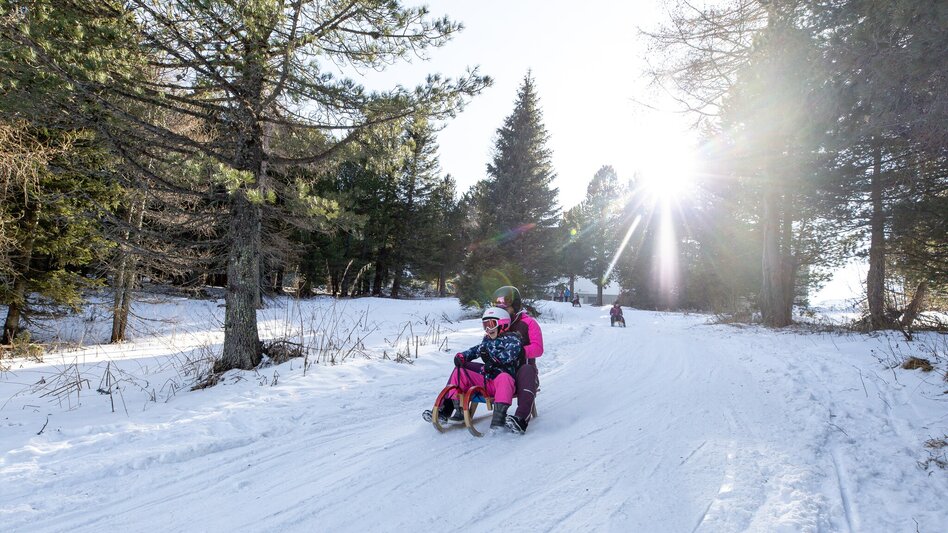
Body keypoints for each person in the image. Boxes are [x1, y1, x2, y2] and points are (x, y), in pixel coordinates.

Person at [423, 307, 523, 429]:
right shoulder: (487, 340)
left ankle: (498, 419)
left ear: (503, 324)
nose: (488, 329)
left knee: (504, 378)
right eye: (485, 325)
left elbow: (511, 353)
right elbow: (476, 350)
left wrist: (495, 361)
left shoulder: (513, 340)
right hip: (486, 381)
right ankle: (448, 410)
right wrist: (462, 356)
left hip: (502, 383)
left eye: (491, 324)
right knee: (460, 371)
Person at [490, 286, 543, 434]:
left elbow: (538, 348)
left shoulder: (528, 323)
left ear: (515, 305)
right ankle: (450, 408)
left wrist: (520, 352)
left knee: (527, 370)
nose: (502, 311)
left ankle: (520, 419)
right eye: (499, 307)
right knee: (467, 368)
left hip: (523, 374)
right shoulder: (497, 322)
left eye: (506, 307)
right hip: (502, 373)